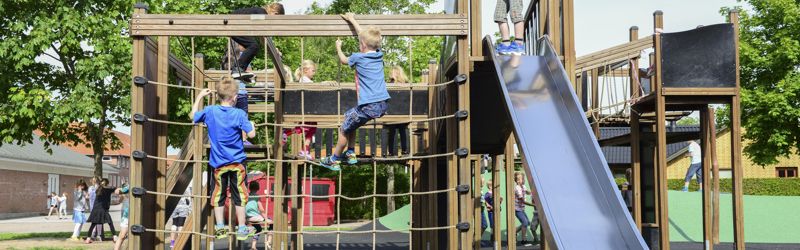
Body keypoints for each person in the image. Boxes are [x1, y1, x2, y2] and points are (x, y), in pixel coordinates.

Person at [320, 13, 391, 170]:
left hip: (369, 105)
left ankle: (335, 158)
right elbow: (363, 36)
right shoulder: (379, 55)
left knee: (345, 128)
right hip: (382, 104)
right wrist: (352, 20)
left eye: (361, 43)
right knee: (350, 117)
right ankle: (350, 152)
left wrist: (338, 47)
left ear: (363, 45)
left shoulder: (358, 57)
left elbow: (344, 60)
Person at [191, 79, 256, 240]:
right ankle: (241, 228)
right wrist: (252, 125)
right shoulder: (240, 113)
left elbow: (193, 117)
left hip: (218, 163)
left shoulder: (210, 110)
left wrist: (199, 96)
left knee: (218, 194)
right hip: (238, 163)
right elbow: (252, 135)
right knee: (240, 195)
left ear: (218, 96)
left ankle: (219, 228)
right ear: (235, 97)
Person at [228, 3, 285, 78]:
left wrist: (273, 49)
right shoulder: (262, 12)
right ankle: (238, 69)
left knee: (253, 46)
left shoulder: (260, 12)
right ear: (275, 13)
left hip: (235, 25)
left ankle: (240, 70)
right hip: (233, 25)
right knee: (253, 46)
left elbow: (262, 39)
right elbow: (264, 36)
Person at [283, 60, 323, 160]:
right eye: (313, 71)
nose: (314, 73)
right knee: (305, 127)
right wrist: (323, 83)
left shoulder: (308, 80)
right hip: (307, 109)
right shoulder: (303, 80)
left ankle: (304, 151)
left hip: (312, 110)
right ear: (306, 70)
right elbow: (313, 88)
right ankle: (286, 133)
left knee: (312, 129)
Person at [385, 66, 410, 157]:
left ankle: (391, 152)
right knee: (402, 130)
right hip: (403, 112)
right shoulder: (406, 84)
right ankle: (404, 150)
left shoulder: (388, 84)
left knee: (392, 131)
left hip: (391, 113)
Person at [86, 178, 117, 243]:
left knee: (93, 224)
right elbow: (116, 190)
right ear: (108, 184)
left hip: (96, 209)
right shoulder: (108, 190)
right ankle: (115, 236)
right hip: (103, 209)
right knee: (110, 223)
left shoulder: (98, 190)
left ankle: (88, 238)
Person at [245, 181, 274, 250]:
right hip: (255, 217)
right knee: (272, 223)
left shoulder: (246, 196)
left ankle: (253, 246)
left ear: (249, 188)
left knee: (259, 229)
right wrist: (266, 219)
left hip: (248, 218)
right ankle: (269, 242)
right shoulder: (257, 196)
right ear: (258, 188)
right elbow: (261, 209)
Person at [513, 172, 537, 246]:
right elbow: (523, 201)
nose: (524, 180)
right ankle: (524, 239)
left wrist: (533, 191)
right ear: (517, 181)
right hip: (517, 209)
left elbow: (527, 192)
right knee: (525, 223)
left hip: (522, 209)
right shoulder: (517, 189)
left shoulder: (523, 186)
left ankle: (513, 233)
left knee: (527, 223)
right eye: (522, 179)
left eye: (524, 179)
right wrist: (533, 204)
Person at [484, 179, 502, 243]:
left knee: (497, 225)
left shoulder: (496, 193)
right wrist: (489, 206)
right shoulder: (487, 194)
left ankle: (496, 238)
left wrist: (500, 200)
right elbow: (486, 202)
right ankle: (492, 239)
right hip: (491, 212)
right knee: (492, 226)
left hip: (497, 211)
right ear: (490, 186)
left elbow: (498, 202)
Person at [113, 183, 130, 250]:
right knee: (122, 235)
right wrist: (119, 189)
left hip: (138, 215)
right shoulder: (131, 186)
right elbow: (122, 189)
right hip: (127, 214)